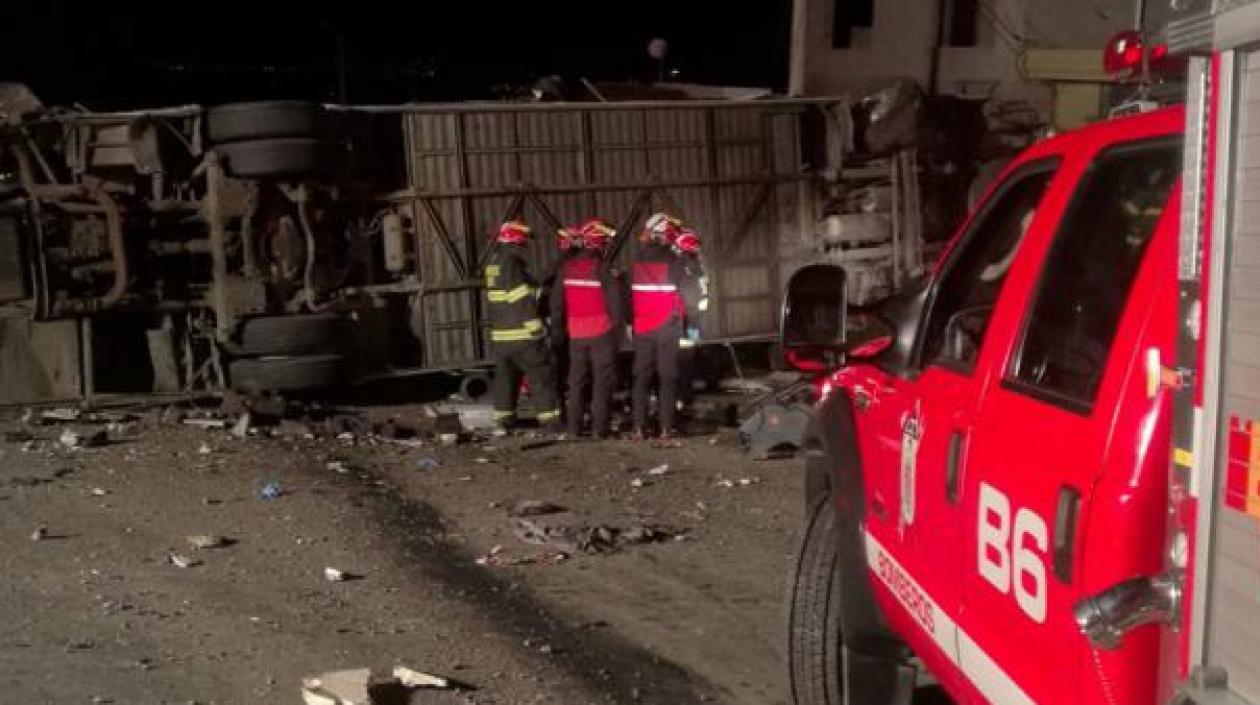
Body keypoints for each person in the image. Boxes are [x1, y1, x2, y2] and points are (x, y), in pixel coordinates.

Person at [552, 218, 626, 438]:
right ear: (600, 244)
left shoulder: (567, 269)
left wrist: (559, 330)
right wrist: (618, 333)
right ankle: (598, 429)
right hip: (601, 333)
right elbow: (616, 305)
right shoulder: (603, 269)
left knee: (576, 382)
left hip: (576, 334)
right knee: (602, 382)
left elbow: (557, 303)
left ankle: (574, 429)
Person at [483, 219, 560, 430]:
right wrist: (537, 328)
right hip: (521, 335)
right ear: (516, 240)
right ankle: (551, 420)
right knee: (540, 373)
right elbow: (520, 298)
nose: (525, 245)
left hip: (501, 337)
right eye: (523, 241)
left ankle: (504, 419)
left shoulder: (495, 263)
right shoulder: (512, 263)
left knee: (506, 380)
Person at [630, 212, 690, 439]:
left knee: (642, 377)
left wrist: (631, 321)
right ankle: (665, 429)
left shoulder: (637, 259)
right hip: (667, 327)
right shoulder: (675, 261)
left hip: (642, 325)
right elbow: (685, 293)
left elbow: (629, 295)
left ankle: (639, 428)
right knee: (667, 378)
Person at [673, 228, 708, 413]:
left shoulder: (682, 264)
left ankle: (682, 397)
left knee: (682, 360)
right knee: (688, 358)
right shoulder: (697, 265)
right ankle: (685, 396)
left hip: (684, 321)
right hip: (693, 322)